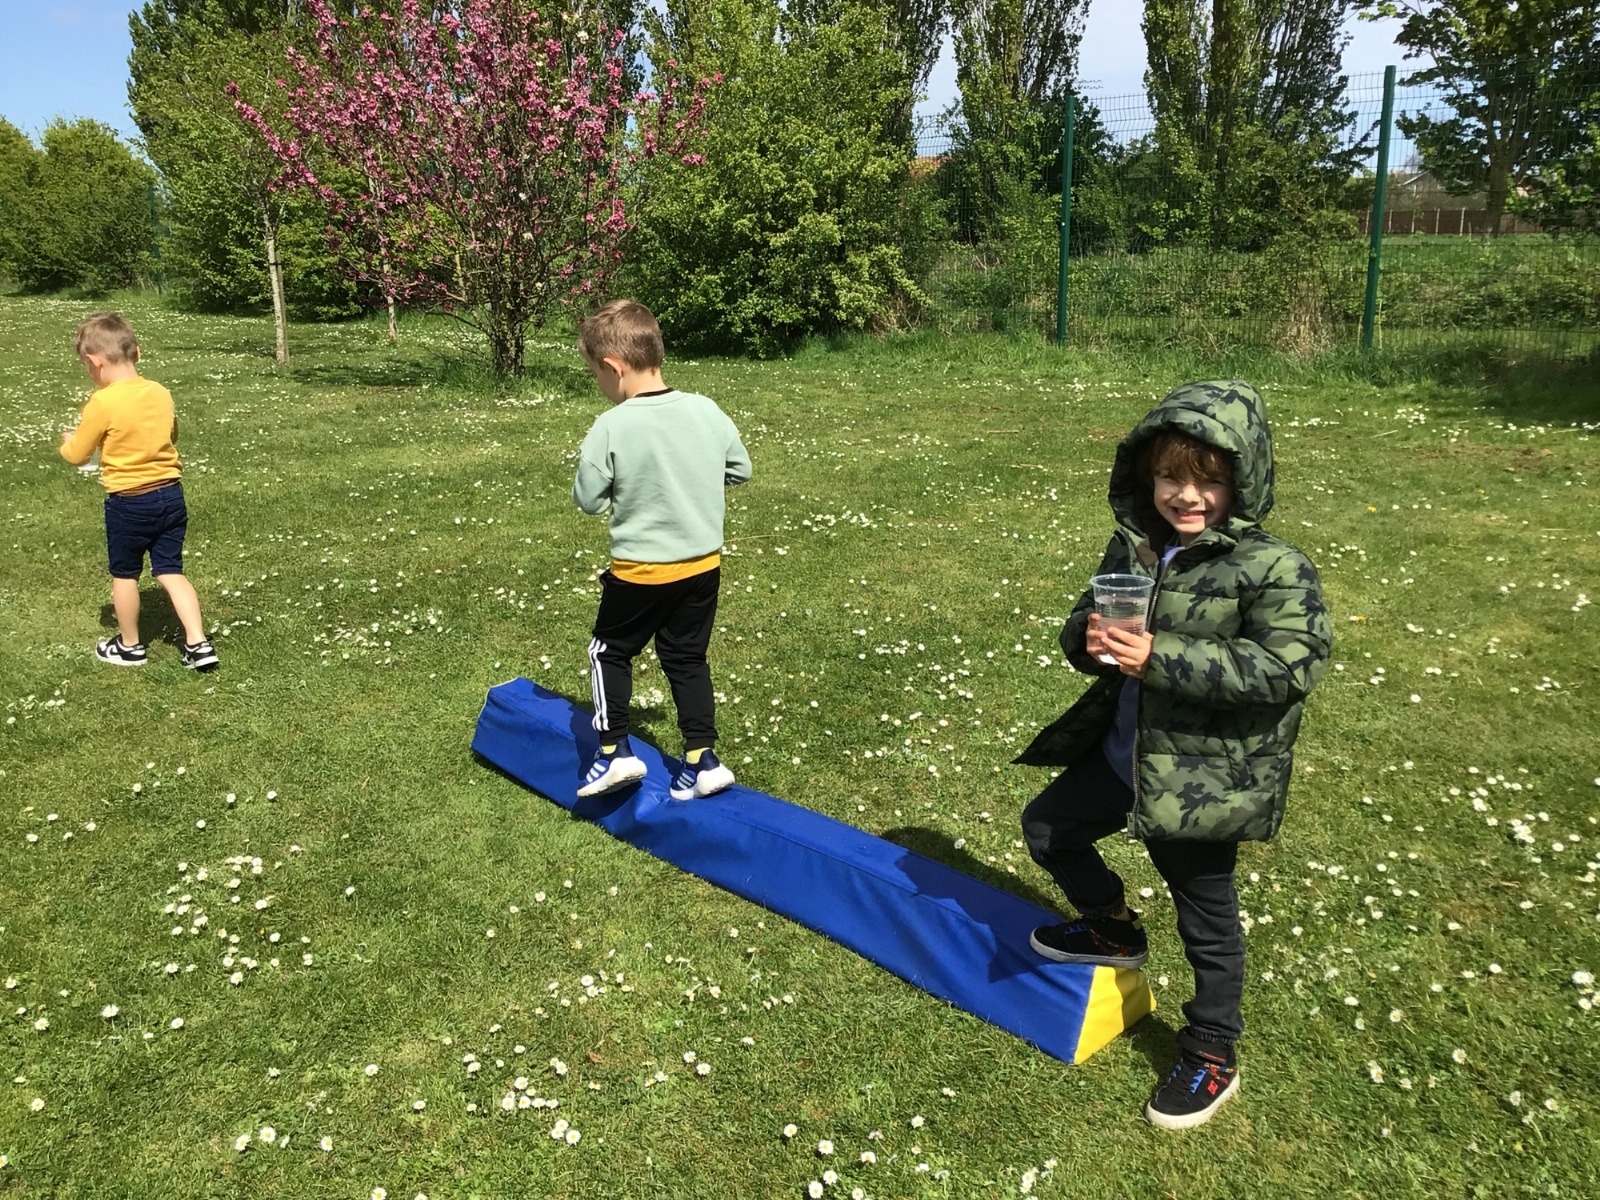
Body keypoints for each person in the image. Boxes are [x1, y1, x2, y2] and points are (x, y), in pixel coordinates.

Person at [1014, 380, 1329, 1129]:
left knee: (1206, 920)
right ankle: (1112, 926)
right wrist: (1089, 640)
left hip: (1198, 779)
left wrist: (1162, 656)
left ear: (1243, 479)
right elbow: (1085, 626)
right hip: (1123, 755)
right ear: (1145, 475)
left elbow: (1288, 668)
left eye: (1208, 481)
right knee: (1049, 830)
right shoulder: (1137, 546)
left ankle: (1213, 1050)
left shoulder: (1272, 567)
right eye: (1169, 477)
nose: (1186, 496)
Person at [570, 300, 751, 799]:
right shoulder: (706, 410)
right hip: (702, 567)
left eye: (595, 375)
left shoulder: (612, 425)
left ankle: (613, 753)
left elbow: (588, 500)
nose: (599, 385)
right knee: (687, 658)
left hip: (642, 572)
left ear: (613, 367)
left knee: (609, 651)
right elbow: (740, 469)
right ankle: (702, 760)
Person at [58, 313, 218, 672]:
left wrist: (69, 442)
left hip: (129, 502)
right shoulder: (159, 391)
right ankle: (198, 643)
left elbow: (79, 455)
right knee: (170, 570)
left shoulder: (102, 401)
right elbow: (171, 435)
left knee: (125, 574)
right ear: (138, 353)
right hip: (171, 495)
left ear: (94, 361)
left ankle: (130, 646)